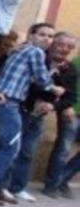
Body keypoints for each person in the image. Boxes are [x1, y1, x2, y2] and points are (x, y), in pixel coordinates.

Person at [0, 23, 63, 205]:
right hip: (8, 102)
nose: (47, 39)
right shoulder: (36, 52)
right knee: (11, 147)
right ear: (31, 35)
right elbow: (43, 80)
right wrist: (55, 87)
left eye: (50, 36)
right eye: (42, 34)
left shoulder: (22, 50)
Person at [33, 33, 77, 198]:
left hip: (51, 107)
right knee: (63, 148)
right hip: (71, 111)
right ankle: (52, 184)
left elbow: (68, 92)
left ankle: (61, 180)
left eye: (69, 47)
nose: (65, 49)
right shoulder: (41, 57)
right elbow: (72, 93)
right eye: (61, 45)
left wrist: (54, 104)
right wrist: (68, 106)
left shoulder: (68, 67)